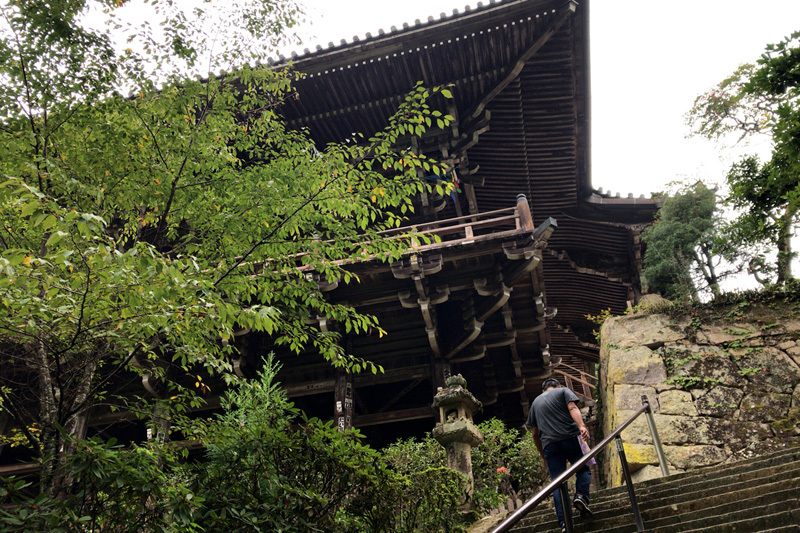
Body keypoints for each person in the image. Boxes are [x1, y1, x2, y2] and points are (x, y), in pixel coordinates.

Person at [526, 377, 592, 532]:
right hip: (569, 437)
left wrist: (543, 455)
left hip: (549, 445)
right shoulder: (563, 390)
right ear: (557, 386)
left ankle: (564, 523)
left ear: (543, 390)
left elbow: (534, 433)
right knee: (583, 469)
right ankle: (581, 496)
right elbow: (572, 408)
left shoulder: (535, 402)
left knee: (557, 483)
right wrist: (581, 426)